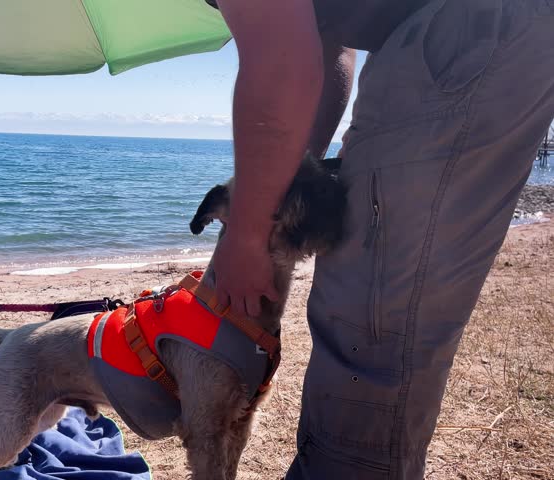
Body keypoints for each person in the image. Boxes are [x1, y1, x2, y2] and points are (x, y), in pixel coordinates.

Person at [205, 0, 554, 478]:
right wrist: (283, 195)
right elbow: (328, 44)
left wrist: (247, 235)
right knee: (360, 318)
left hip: (459, 37)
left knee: (369, 350)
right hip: (437, 41)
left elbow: (282, 61)